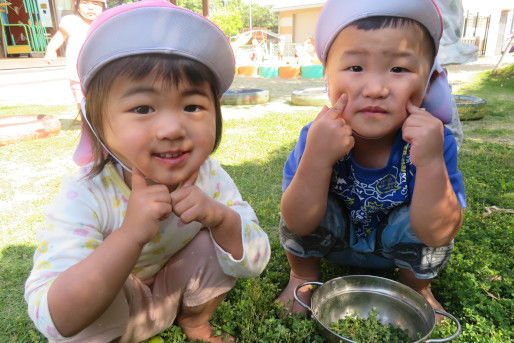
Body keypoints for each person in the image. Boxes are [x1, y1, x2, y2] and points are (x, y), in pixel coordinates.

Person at [25, 1, 270, 342]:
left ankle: (196, 323)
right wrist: (131, 234)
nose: (172, 128)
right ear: (97, 125)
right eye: (143, 108)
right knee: (91, 280)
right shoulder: (86, 193)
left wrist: (219, 217)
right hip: (110, 315)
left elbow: (255, 258)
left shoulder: (210, 178)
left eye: (192, 106)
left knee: (215, 239)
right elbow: (56, 318)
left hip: (172, 290)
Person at [275, 0, 466, 317]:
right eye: (355, 67)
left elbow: (439, 233)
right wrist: (317, 160)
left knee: (430, 204)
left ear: (428, 80)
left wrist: (431, 163)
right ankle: (303, 276)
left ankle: (418, 288)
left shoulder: (435, 141)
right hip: (334, 240)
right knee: (303, 194)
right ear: (328, 77)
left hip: (396, 249)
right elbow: (296, 221)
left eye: (399, 69)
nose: (376, 88)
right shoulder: (317, 136)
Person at [44, 0, 106, 109]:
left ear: (103, 7)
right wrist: (51, 50)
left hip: (101, 71)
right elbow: (59, 37)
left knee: (103, 99)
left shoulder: (105, 22)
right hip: (77, 73)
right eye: (85, 3)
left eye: (95, 4)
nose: (90, 8)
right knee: (82, 101)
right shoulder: (71, 22)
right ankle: (85, 123)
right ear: (76, 5)